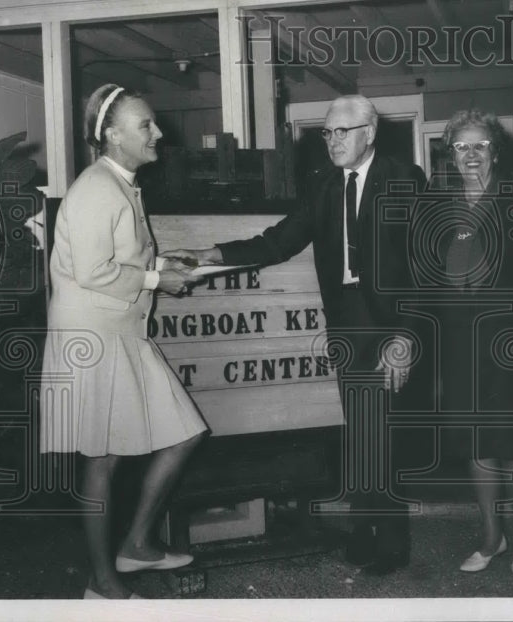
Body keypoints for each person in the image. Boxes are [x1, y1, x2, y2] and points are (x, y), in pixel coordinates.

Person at [165, 95, 426, 575]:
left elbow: (421, 267)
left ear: (369, 132)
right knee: (364, 436)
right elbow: (278, 242)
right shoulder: (323, 186)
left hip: (389, 325)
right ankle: (369, 531)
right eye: (327, 133)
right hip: (347, 323)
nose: (332, 141)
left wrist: (405, 337)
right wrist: (207, 254)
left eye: (342, 132)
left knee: (382, 438)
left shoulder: (405, 180)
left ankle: (389, 542)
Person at [39, 83, 208, 600]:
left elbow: (118, 259)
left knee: (184, 433)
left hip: (121, 331)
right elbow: (92, 271)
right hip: (91, 337)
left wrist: (161, 263)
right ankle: (103, 584)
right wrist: (158, 280)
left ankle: (135, 543)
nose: (158, 133)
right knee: (102, 458)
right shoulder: (97, 187)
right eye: (146, 126)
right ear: (112, 135)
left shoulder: (121, 184)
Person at [429, 109, 513, 576]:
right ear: (450, 154)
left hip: (510, 339)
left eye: (480, 145)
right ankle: (490, 538)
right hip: (459, 341)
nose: (471, 154)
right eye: (461, 146)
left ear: (496, 149)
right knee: (477, 443)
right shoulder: (438, 205)